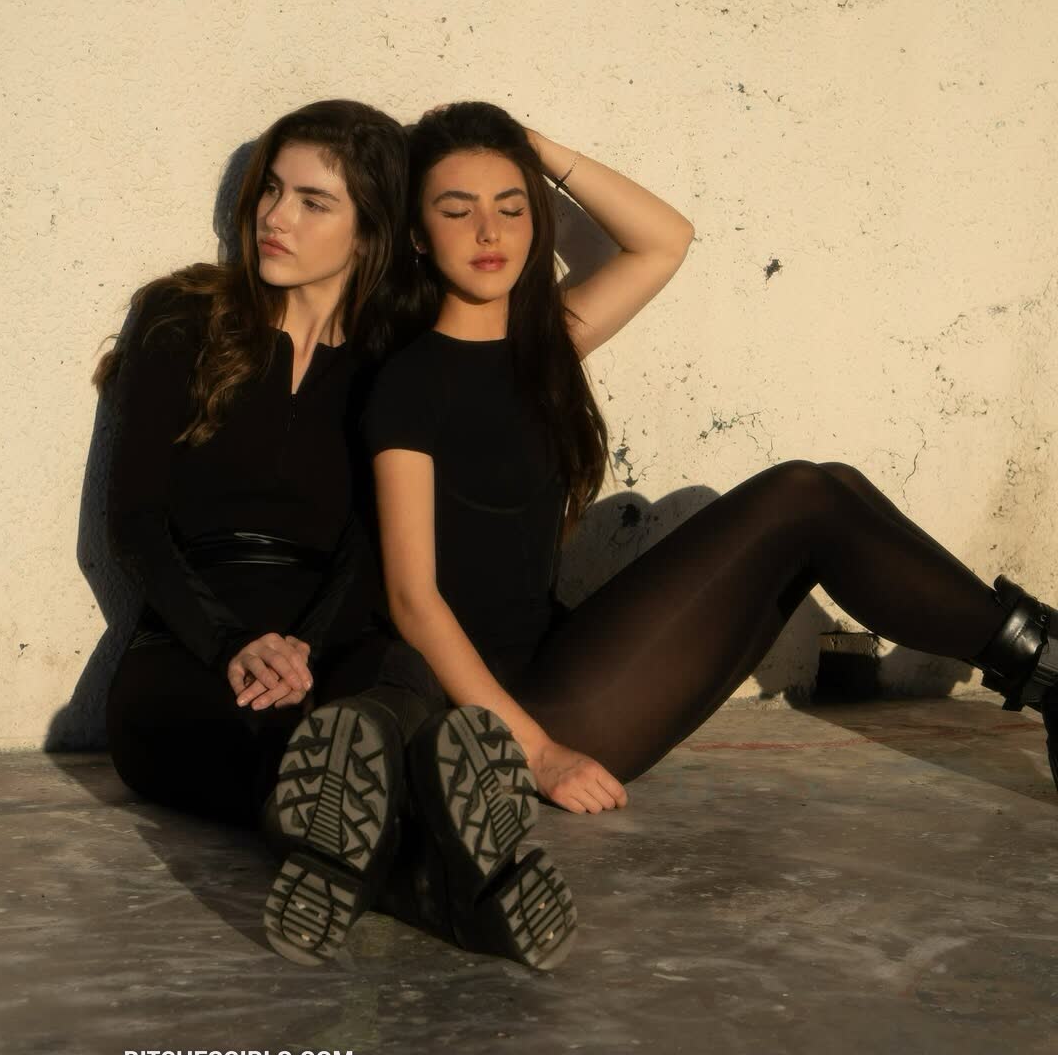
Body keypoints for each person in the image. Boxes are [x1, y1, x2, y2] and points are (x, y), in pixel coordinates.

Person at [362, 100, 1058, 833]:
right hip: (513, 711)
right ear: (417, 234)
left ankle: (1043, 667)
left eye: (511, 208)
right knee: (805, 495)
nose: (489, 231)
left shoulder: (543, 352)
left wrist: (528, 144)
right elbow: (413, 600)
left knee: (829, 486)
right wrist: (538, 753)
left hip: (560, 659)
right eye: (457, 210)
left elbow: (665, 239)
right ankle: (1046, 664)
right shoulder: (409, 384)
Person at [97, 98, 441, 969]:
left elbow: (373, 536)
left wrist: (306, 648)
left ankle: (360, 830)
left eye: (313, 201)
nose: (275, 217)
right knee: (287, 741)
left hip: (333, 636)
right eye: (271, 191)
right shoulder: (182, 316)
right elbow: (132, 520)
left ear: (370, 231)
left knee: (388, 687)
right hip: (187, 646)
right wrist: (232, 645)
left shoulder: (395, 357)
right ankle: (439, 864)